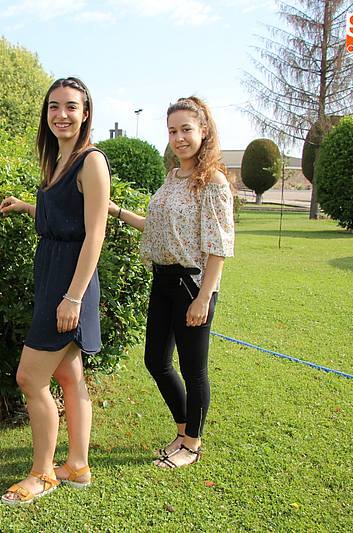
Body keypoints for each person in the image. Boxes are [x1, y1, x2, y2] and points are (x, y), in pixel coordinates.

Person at [0, 77, 110, 505]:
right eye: (53, 107)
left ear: (86, 113)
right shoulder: (59, 159)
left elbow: (94, 234)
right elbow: (64, 216)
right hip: (53, 275)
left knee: (29, 377)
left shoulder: (91, 161)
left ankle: (42, 473)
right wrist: (28, 206)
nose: (61, 114)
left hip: (70, 282)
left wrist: (73, 297)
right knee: (68, 373)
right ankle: (77, 465)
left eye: (71, 106)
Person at [109, 96, 234, 468]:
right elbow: (156, 228)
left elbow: (218, 246)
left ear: (203, 131)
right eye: (172, 131)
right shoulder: (172, 177)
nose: (179, 138)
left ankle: (191, 445)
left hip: (192, 285)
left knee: (194, 370)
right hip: (162, 281)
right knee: (156, 361)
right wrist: (117, 211)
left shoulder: (212, 182)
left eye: (186, 130)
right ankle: (183, 431)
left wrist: (204, 297)